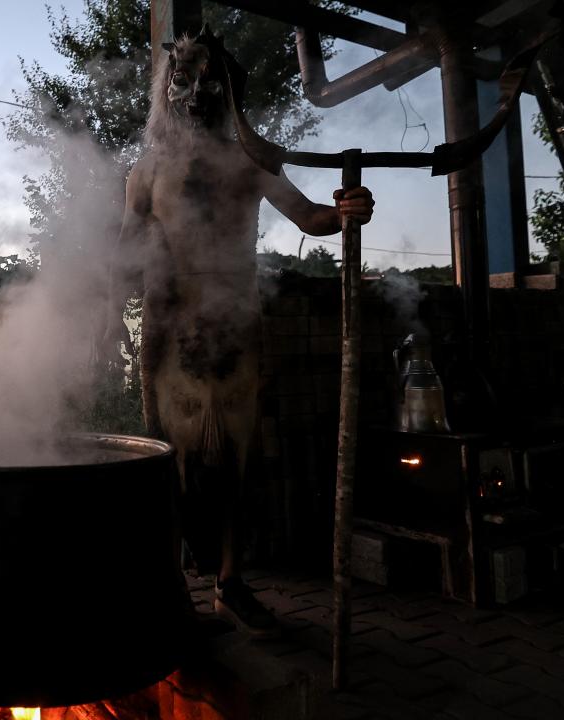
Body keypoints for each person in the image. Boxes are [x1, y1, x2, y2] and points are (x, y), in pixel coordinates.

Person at [103, 30, 374, 638]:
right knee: (167, 466)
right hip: (170, 330)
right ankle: (169, 591)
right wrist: (106, 317)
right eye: (185, 76)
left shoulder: (251, 162)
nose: (197, 90)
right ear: (167, 88)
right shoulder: (146, 172)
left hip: (236, 325)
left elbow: (311, 217)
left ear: (229, 90)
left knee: (235, 463)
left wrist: (346, 209)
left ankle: (229, 582)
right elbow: (125, 251)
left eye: (211, 78)